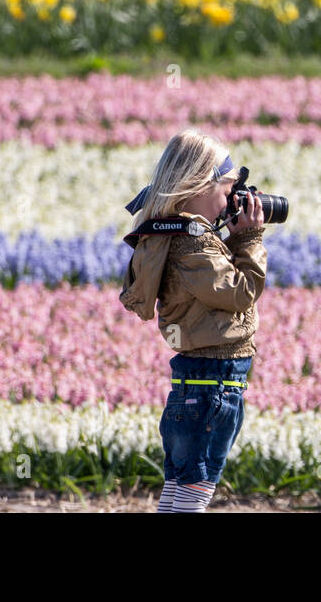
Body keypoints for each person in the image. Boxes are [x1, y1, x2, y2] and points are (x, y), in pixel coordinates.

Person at [118, 127, 267, 512]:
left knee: (180, 493)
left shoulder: (180, 237)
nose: (230, 202)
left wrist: (233, 240)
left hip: (199, 387)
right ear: (199, 186)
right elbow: (240, 292)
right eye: (227, 191)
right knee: (192, 496)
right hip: (211, 389)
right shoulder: (192, 243)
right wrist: (249, 239)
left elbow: (215, 291)